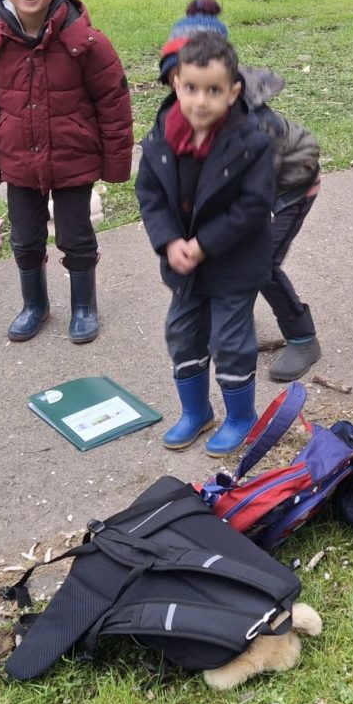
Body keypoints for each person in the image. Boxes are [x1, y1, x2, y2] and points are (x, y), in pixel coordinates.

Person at [0, 0, 133, 345]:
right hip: (19, 160)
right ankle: (34, 305)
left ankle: (83, 306)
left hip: (73, 159)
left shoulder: (86, 42)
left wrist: (115, 164)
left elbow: (114, 104)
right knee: (24, 238)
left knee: (76, 237)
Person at [159, 0, 323, 383]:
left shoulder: (251, 125)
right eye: (183, 82)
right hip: (246, 192)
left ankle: (302, 337)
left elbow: (250, 196)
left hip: (289, 188)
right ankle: (235, 317)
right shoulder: (181, 111)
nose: (196, 97)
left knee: (259, 264)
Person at [136, 32, 275, 454]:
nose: (200, 101)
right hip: (185, 266)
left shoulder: (252, 142)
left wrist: (203, 244)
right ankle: (196, 412)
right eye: (192, 88)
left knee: (230, 342)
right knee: (182, 334)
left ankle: (241, 417)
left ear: (233, 92)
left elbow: (254, 207)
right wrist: (169, 241)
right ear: (176, 84)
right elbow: (150, 196)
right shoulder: (160, 139)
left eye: (213, 91)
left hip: (234, 264)